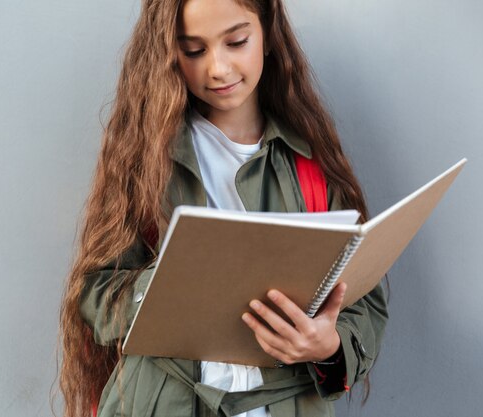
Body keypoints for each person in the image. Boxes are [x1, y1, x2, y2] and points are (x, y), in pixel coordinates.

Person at [59, 0, 388, 416]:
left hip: (284, 403)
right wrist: (166, 286)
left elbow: (364, 299)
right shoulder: (147, 161)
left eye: (236, 42)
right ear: (168, 52)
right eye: (194, 50)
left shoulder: (309, 164)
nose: (218, 68)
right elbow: (94, 291)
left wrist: (328, 346)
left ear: (267, 32)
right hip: (165, 403)